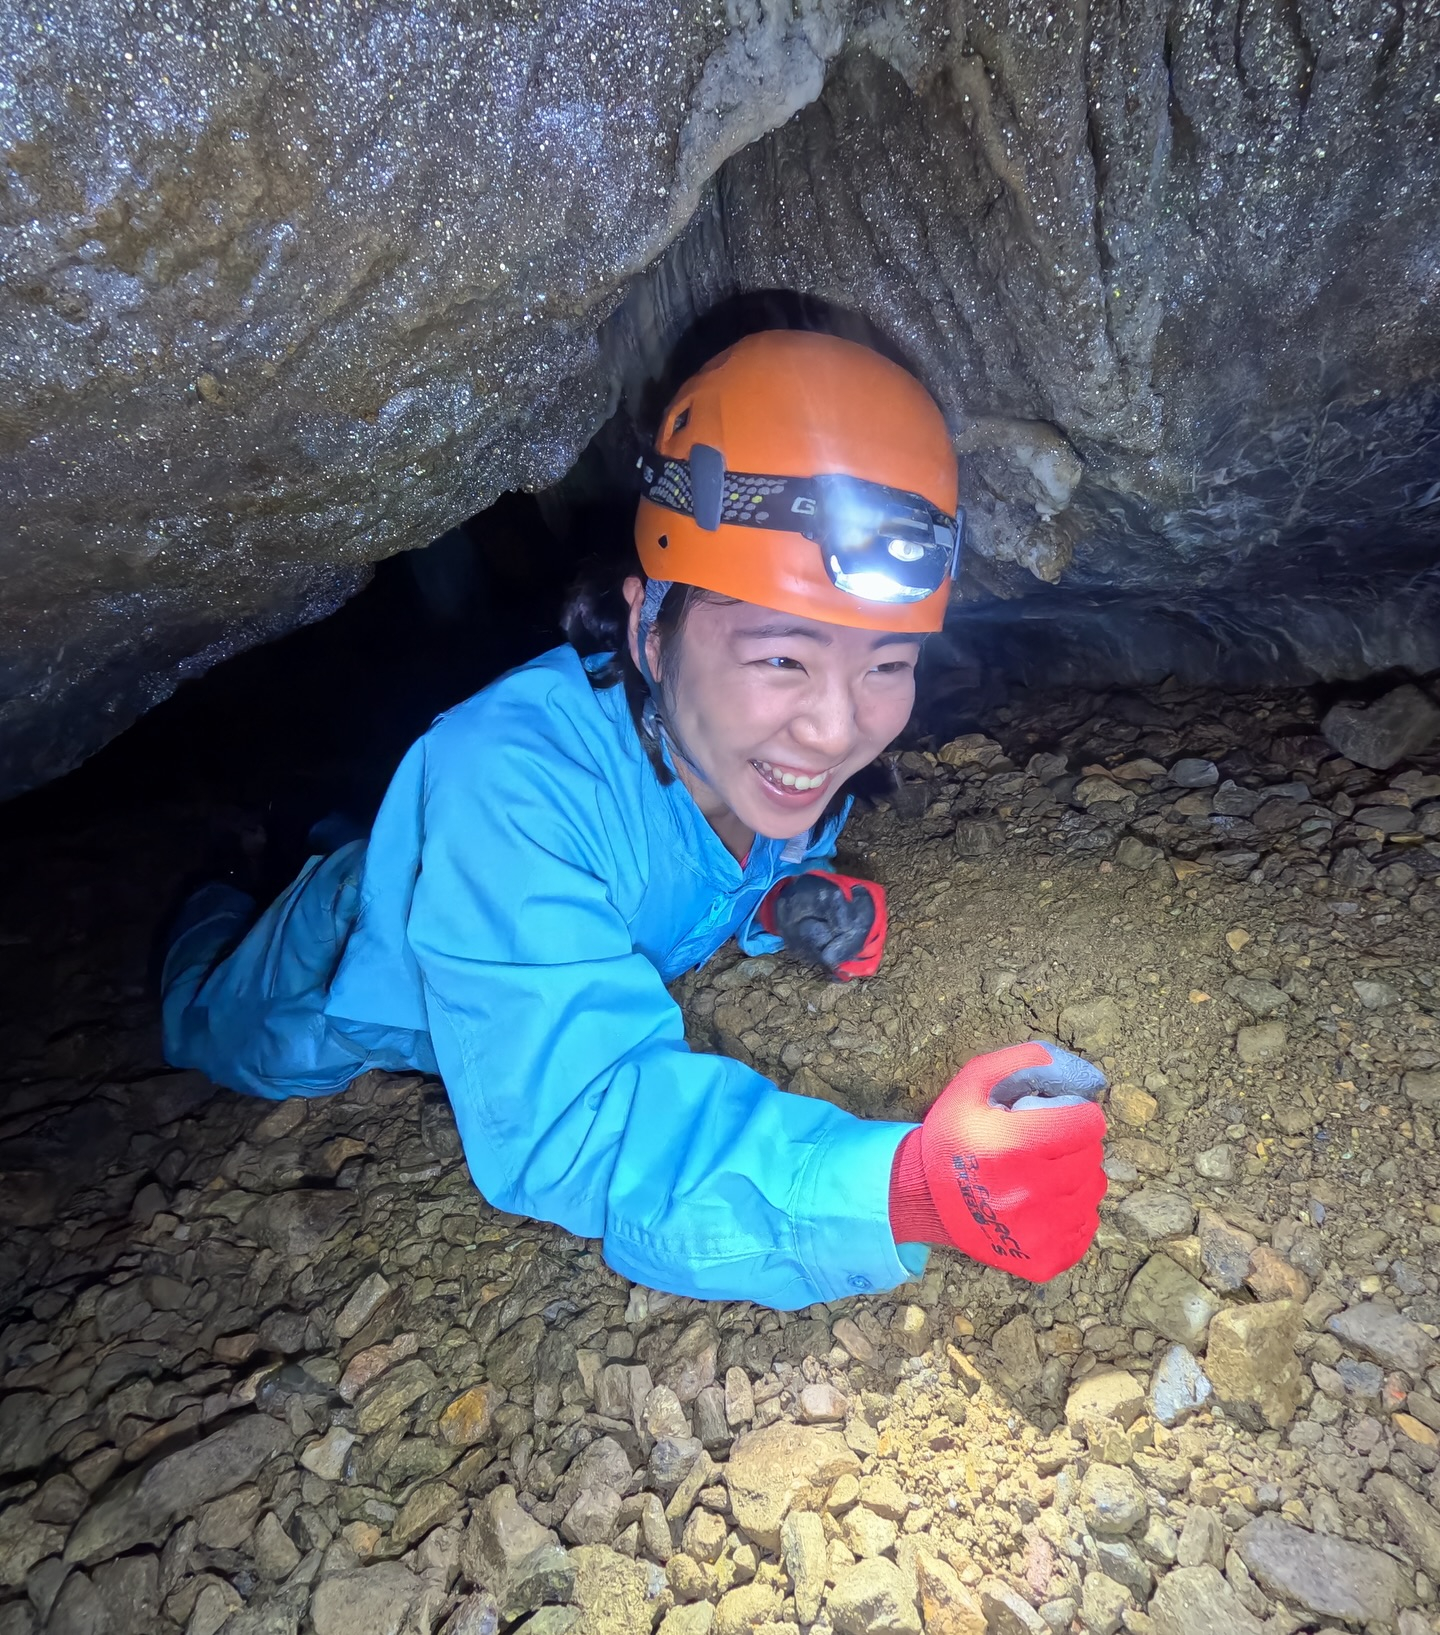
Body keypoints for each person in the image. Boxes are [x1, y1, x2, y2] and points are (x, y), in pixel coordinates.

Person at [162, 329, 1107, 1309]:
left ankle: (309, 826)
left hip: (503, 880)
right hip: (352, 959)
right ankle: (227, 883)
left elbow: (703, 873)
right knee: (222, 1038)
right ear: (650, 628)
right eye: (782, 658)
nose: (836, 729)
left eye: (887, 664)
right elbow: (583, 1114)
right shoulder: (508, 776)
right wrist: (900, 1191)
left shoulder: (757, 766)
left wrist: (783, 906)